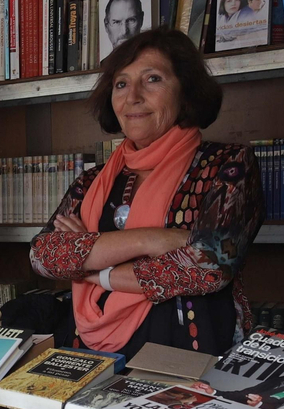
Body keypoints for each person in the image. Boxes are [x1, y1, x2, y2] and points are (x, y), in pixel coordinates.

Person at [30, 28, 264, 359]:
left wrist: (92, 265)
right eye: (121, 84)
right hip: (90, 351)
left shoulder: (228, 164)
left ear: (186, 91)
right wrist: (152, 240)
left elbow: (209, 266)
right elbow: (42, 256)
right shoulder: (91, 180)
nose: (133, 96)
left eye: (152, 79)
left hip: (187, 352)